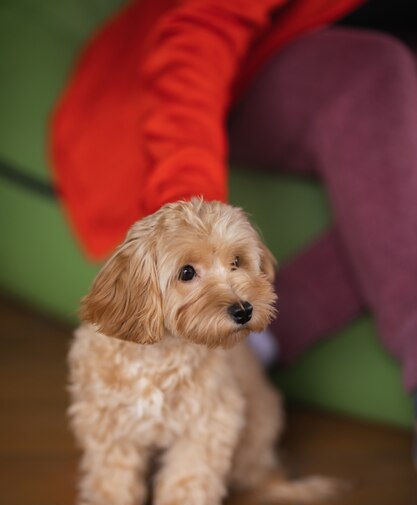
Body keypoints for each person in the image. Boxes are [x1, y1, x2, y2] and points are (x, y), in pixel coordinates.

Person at [51, 0, 417, 450]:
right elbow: (198, 35)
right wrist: (188, 221)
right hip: (200, 68)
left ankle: (256, 348)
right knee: (374, 71)